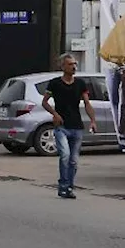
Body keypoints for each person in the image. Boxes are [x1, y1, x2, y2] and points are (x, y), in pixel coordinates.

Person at [41, 53, 97, 200]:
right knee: (64, 155)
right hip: (62, 126)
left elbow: (87, 103)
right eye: (70, 64)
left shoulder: (80, 84)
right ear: (63, 66)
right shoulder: (55, 83)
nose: (74, 67)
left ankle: (69, 187)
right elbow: (45, 102)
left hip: (77, 126)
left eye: (75, 64)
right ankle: (63, 185)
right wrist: (55, 114)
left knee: (74, 160)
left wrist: (92, 121)